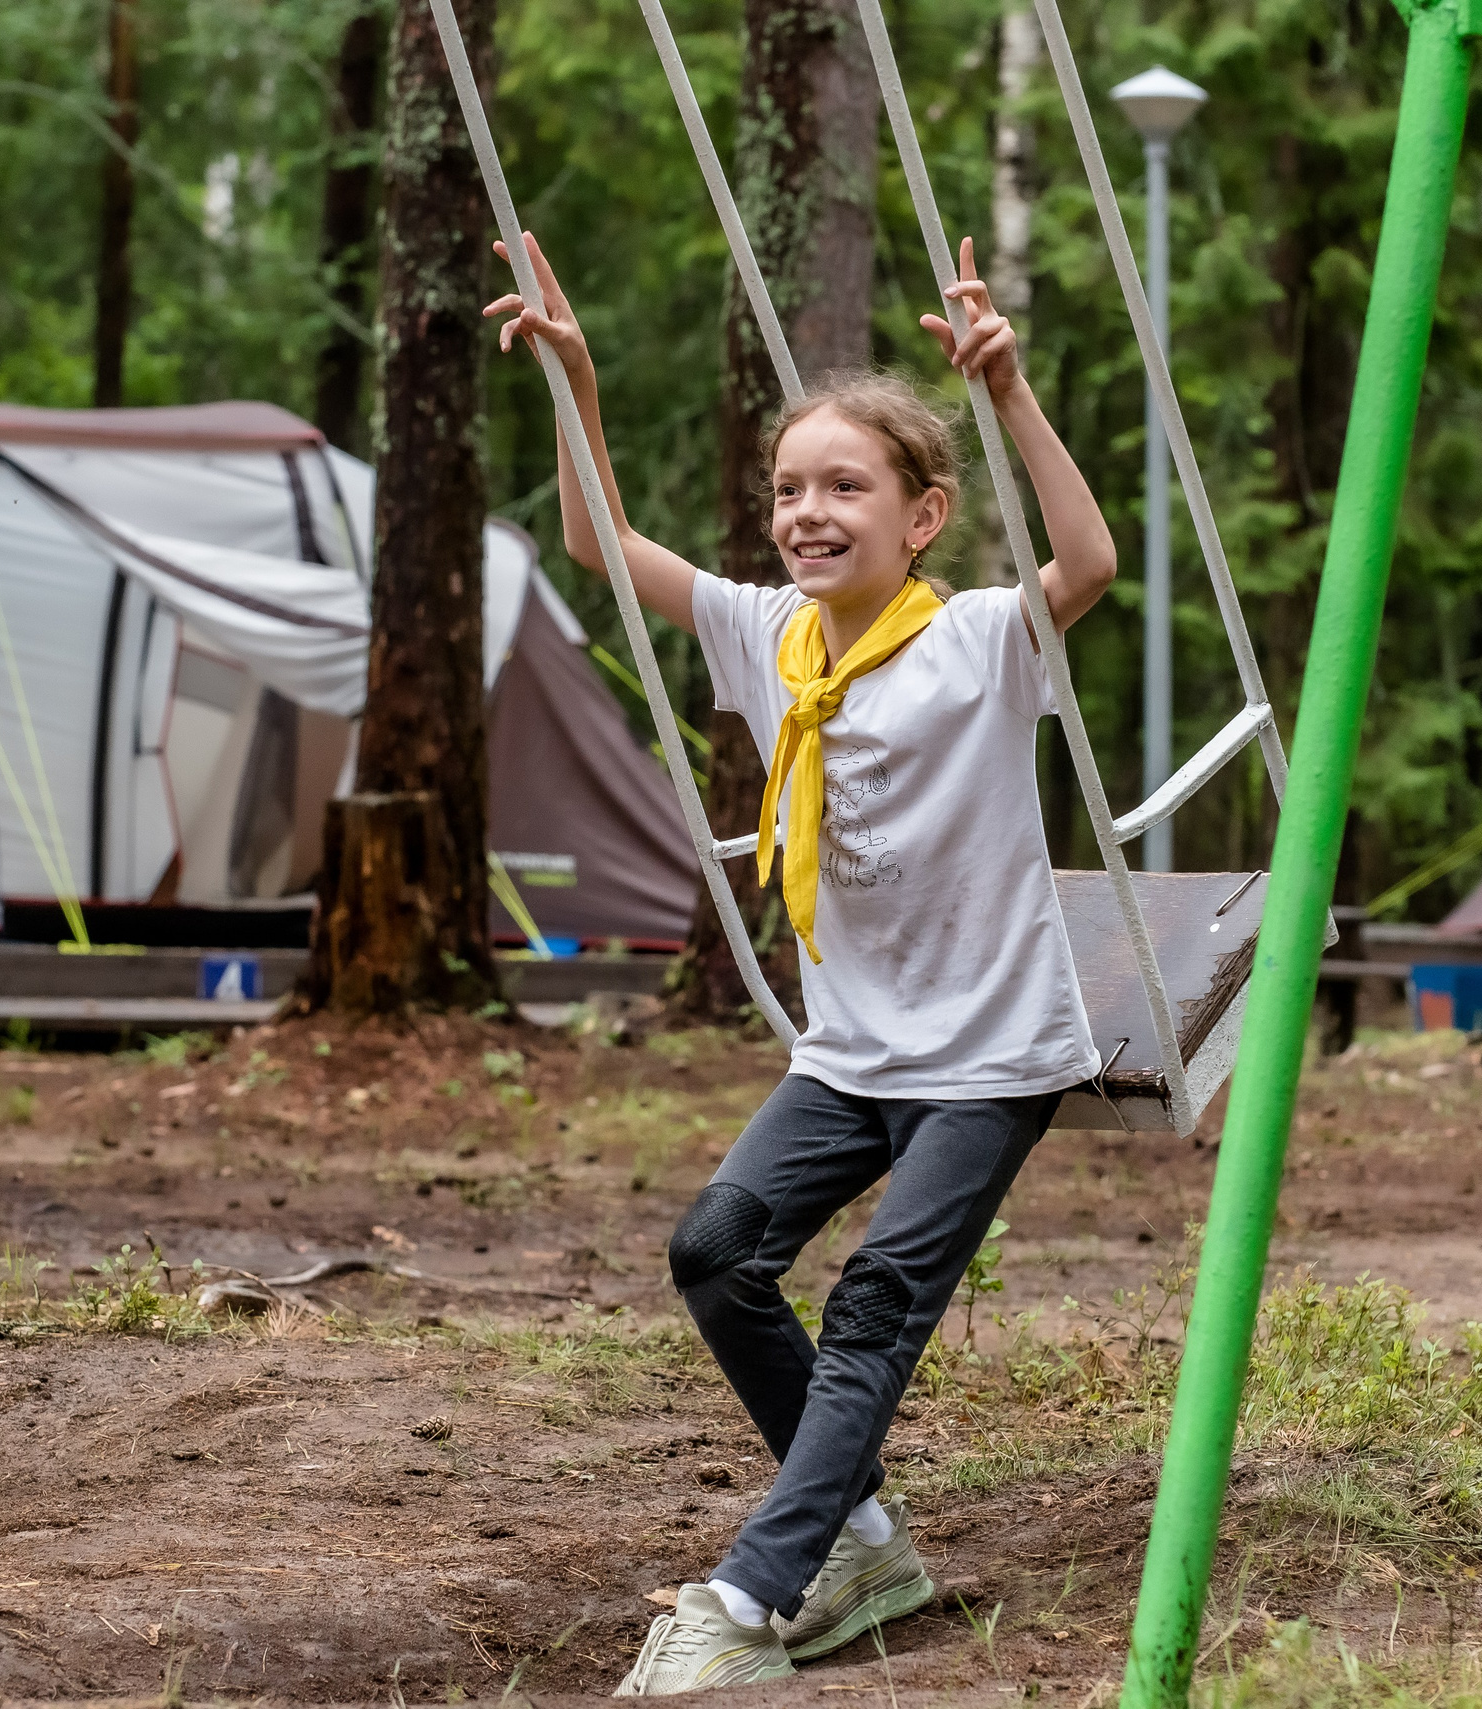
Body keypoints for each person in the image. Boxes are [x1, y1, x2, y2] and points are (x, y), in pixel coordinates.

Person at [484, 230, 1115, 1697]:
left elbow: (1085, 560)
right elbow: (600, 548)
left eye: (846, 487)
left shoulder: (973, 642)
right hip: (851, 1048)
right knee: (715, 1253)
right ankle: (865, 1535)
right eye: (788, 489)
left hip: (987, 1051)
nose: (806, 513)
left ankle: (756, 1594)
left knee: (881, 1299)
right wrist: (575, 380)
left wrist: (1010, 390)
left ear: (924, 515)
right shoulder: (769, 633)